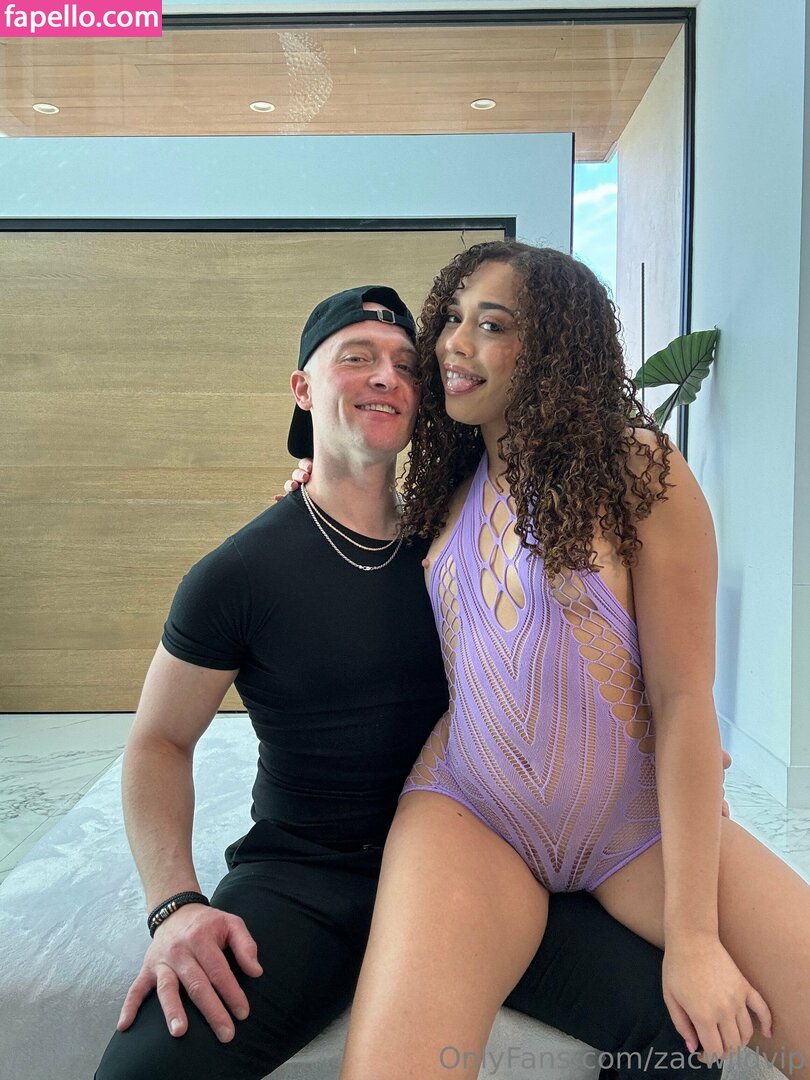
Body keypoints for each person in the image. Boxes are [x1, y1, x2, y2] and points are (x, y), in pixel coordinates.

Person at [96, 284, 729, 1080]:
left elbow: (587, 653)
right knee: (141, 1073)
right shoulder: (239, 573)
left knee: (681, 1037)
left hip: (477, 862)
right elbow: (158, 740)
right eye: (356, 357)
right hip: (306, 881)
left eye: (405, 364)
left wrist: (664, 757)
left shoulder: (453, 538)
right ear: (302, 388)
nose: (386, 376)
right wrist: (175, 904)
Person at [318, 244, 810, 1080]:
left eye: (492, 325)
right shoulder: (441, 488)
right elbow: (348, 515)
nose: (454, 342)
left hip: (636, 830)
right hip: (471, 815)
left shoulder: (637, 469)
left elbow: (685, 699)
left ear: (554, 346)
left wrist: (694, 939)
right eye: (452, 318)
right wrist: (309, 483)